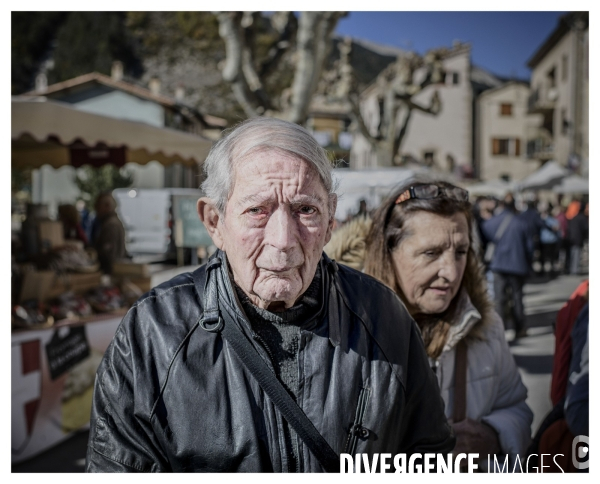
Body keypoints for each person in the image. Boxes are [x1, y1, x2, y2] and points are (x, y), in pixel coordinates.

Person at [85, 118, 454, 473]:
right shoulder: (154, 331)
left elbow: (429, 458)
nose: (283, 240)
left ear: (330, 221)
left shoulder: (382, 316)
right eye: (257, 211)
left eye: (305, 210)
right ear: (215, 222)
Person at [326, 178, 532, 470]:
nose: (450, 272)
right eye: (431, 253)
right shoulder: (335, 330)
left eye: (460, 252)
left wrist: (494, 434)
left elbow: (517, 408)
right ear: (387, 252)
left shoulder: (485, 327)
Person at [481, 198, 532, 338]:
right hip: (518, 265)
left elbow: (484, 238)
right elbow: (530, 247)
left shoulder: (491, 222)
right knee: (517, 298)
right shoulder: (521, 222)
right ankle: (519, 328)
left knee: (499, 299)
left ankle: (500, 330)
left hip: (498, 265)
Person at [91, 192, 126, 274]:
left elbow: (108, 254)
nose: (96, 209)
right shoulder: (113, 222)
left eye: (98, 206)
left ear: (107, 206)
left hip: (110, 272)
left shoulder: (110, 225)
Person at [566, 202, 588, 275]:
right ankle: (574, 270)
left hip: (571, 238)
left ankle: (571, 269)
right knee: (576, 254)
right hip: (577, 238)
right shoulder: (582, 218)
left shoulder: (574, 217)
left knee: (572, 254)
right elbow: (585, 228)